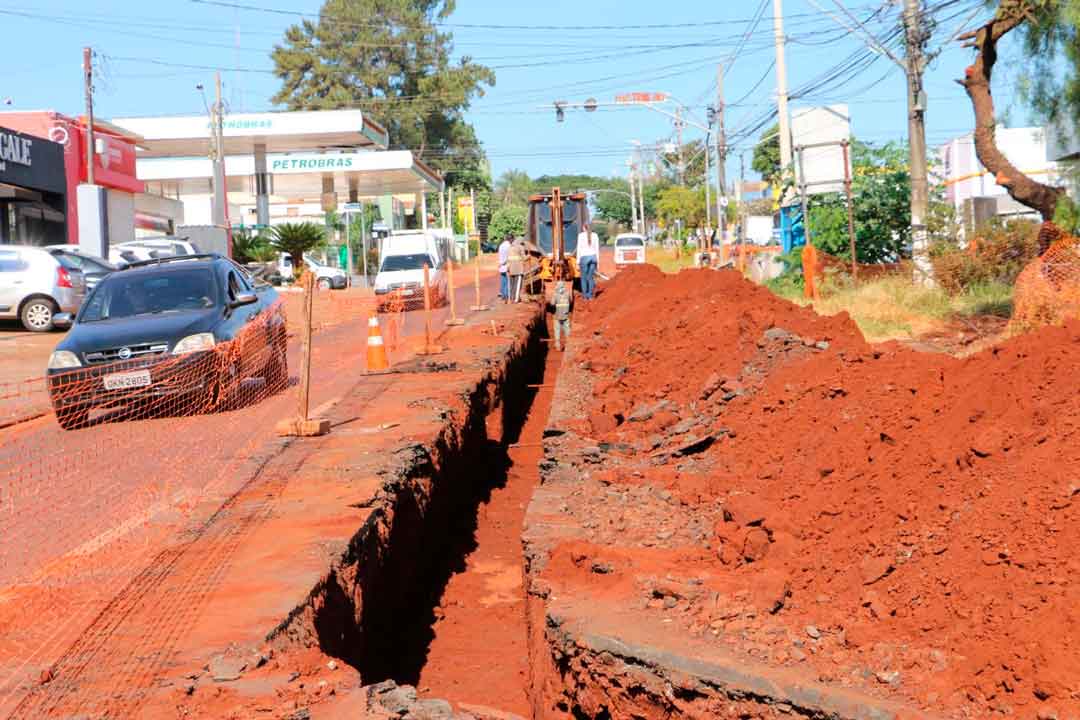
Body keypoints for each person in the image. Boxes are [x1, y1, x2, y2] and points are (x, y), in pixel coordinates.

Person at [576, 223, 599, 300]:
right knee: (590, 278)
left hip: (584, 258)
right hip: (593, 257)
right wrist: (597, 263)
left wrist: (577, 262)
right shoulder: (595, 235)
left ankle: (585, 296)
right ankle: (590, 296)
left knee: (583, 278)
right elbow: (597, 249)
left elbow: (579, 249)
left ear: (584, 228)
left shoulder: (581, 236)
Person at [550, 279, 573, 351]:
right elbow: (570, 301)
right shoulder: (567, 293)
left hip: (557, 316)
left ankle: (558, 346)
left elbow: (552, 303)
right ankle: (569, 345)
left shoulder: (555, 294)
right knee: (567, 331)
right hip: (566, 315)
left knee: (557, 330)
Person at [508, 237, 527, 302]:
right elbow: (524, 258)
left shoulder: (510, 247)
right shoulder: (520, 247)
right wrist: (528, 256)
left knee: (512, 284)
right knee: (518, 284)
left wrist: (508, 268)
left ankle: (511, 297)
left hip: (511, 269)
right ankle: (516, 299)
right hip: (518, 269)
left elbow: (508, 258)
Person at [497, 235, 512, 301]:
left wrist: (500, 263)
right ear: (510, 239)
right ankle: (506, 295)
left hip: (501, 265)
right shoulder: (508, 246)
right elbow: (507, 257)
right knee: (507, 281)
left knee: (503, 280)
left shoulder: (501, 245)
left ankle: (502, 294)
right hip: (505, 265)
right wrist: (503, 263)